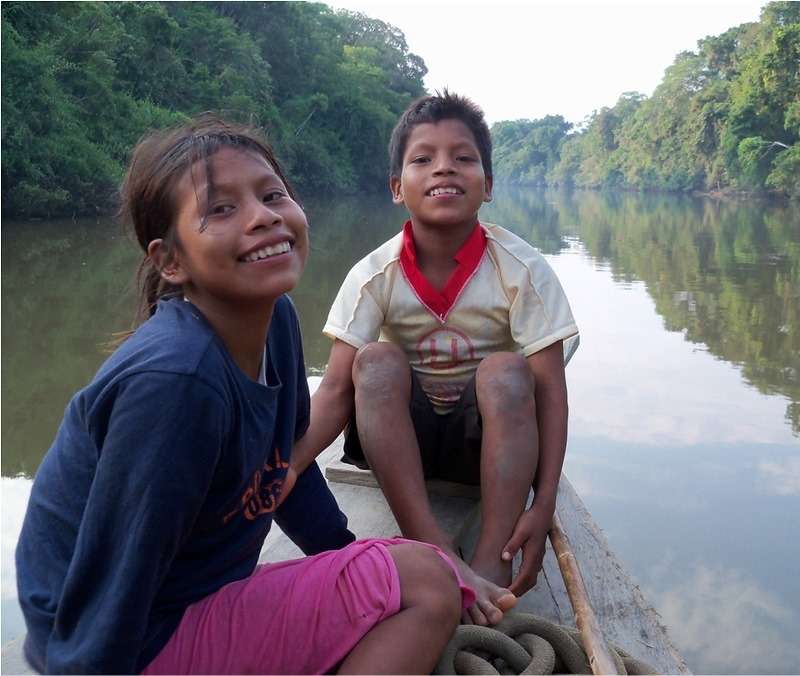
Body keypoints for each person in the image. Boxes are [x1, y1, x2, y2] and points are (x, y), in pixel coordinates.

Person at [15, 116, 474, 675]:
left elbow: (283, 469)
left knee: (398, 576)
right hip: (118, 641)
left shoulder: (275, 320)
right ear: (170, 261)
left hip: (183, 601)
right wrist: (384, 580)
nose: (264, 217)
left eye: (272, 195)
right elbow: (110, 593)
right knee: (427, 582)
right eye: (222, 209)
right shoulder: (176, 384)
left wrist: (349, 561)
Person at [286, 92, 579, 627]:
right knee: (375, 361)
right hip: (401, 449)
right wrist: (288, 466)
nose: (444, 168)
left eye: (463, 157)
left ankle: (491, 558)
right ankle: (432, 546)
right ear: (397, 187)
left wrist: (544, 505)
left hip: (486, 449)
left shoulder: (522, 269)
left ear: (488, 184)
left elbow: (551, 394)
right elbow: (334, 391)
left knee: (507, 370)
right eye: (423, 158)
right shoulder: (375, 273)